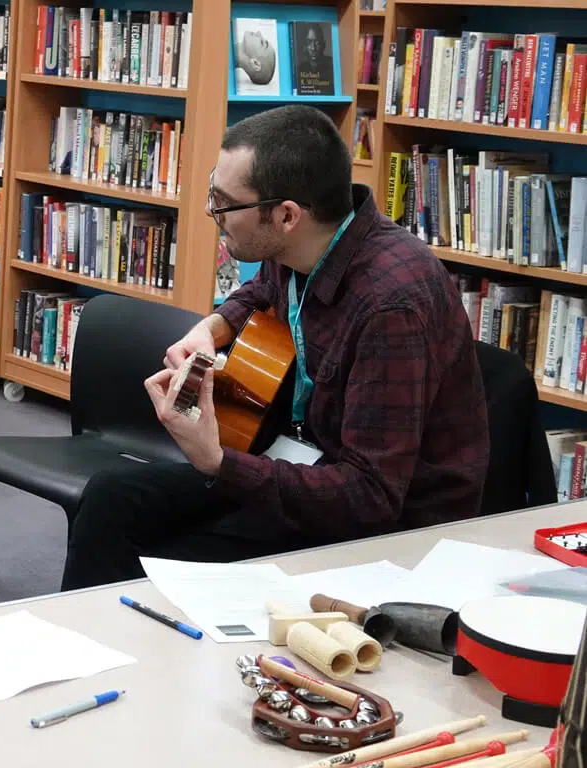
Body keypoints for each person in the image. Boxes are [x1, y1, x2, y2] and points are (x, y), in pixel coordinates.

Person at [61, 105, 490, 590]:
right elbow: (264, 291)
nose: (211, 214)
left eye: (224, 203)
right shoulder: (310, 240)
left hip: (384, 525)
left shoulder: (391, 305)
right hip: (303, 464)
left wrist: (218, 463)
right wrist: (212, 328)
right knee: (112, 497)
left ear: (286, 215)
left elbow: (371, 496)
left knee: (169, 568)